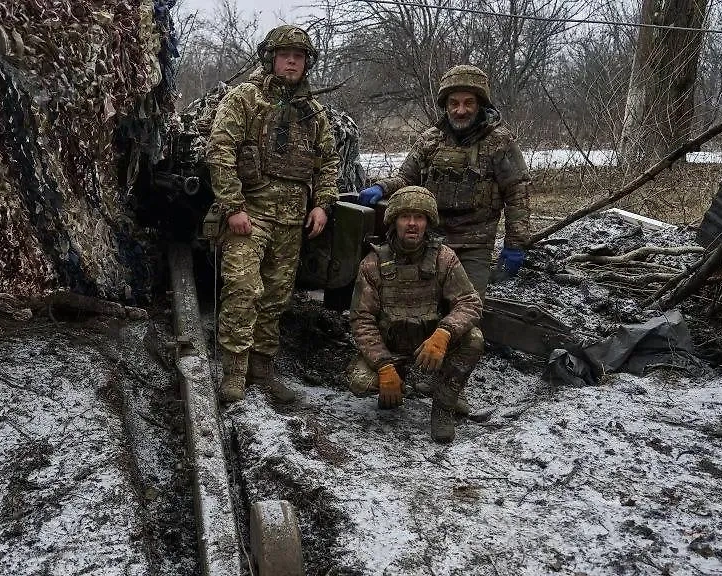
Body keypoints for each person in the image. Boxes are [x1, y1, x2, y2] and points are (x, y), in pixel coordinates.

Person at [205, 25, 339, 404]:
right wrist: (233, 206)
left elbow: (329, 161)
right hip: (251, 213)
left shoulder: (313, 113)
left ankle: (261, 369)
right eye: (285, 55)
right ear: (271, 59)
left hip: (292, 219)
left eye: (299, 55)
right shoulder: (245, 99)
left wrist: (323, 204)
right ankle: (234, 371)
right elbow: (220, 151)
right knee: (243, 289)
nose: (292, 61)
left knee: (277, 298)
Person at [358, 65, 531, 298]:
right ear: (445, 105)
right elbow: (406, 179)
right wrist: (382, 187)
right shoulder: (430, 140)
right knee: (416, 304)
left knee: (467, 307)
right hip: (430, 241)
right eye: (454, 103)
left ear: (480, 104)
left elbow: (517, 192)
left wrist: (515, 244)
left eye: (468, 103)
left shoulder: (500, 142)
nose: (460, 110)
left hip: (475, 245)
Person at [347, 186, 483, 443]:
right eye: (404, 216)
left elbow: (470, 303)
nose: (412, 224)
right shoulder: (372, 263)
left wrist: (445, 332)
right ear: (393, 221)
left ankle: (444, 405)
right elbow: (361, 320)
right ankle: (397, 383)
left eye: (419, 217)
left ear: (428, 222)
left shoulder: (444, 258)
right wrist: (384, 366)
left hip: (429, 345)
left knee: (473, 339)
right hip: (391, 346)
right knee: (360, 381)